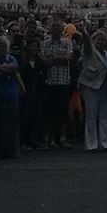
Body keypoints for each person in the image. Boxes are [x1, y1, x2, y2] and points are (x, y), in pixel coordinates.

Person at [78, 28, 107, 152]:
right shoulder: (89, 51)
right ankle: (91, 144)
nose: (101, 42)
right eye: (98, 39)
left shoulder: (106, 54)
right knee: (91, 116)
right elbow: (87, 44)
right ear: (93, 40)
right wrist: (85, 34)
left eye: (103, 40)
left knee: (105, 116)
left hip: (104, 85)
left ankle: (105, 142)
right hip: (90, 86)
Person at [41, 17, 72, 149]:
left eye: (58, 26)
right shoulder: (44, 43)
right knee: (49, 113)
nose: (56, 28)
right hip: (50, 82)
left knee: (63, 112)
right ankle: (50, 138)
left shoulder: (67, 42)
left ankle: (62, 138)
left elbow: (67, 58)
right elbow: (44, 62)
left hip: (63, 81)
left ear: (62, 29)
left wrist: (53, 59)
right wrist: (58, 59)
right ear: (50, 28)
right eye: (53, 26)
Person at [0, 35, 21, 158]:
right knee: (0, 123)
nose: (1, 48)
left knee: (12, 123)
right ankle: (1, 149)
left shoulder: (11, 58)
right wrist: (6, 69)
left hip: (12, 94)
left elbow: (14, 69)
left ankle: (12, 149)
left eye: (3, 46)